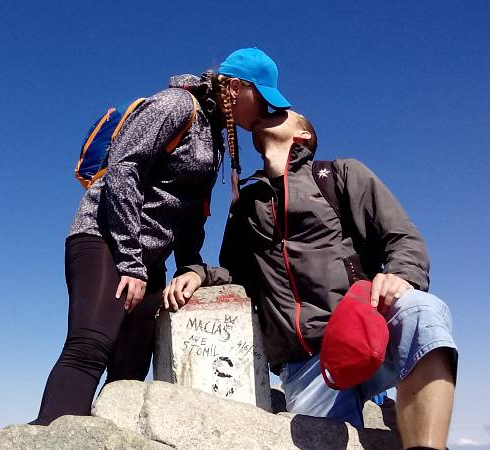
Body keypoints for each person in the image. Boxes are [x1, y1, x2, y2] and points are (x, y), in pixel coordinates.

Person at [166, 110, 457, 450]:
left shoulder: (339, 174)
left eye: (279, 113)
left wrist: (401, 276)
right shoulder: (247, 204)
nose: (267, 113)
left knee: (421, 310)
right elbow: (238, 274)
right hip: (305, 364)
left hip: (365, 329)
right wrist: (199, 273)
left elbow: (402, 237)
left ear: (302, 135)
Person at [30, 48, 293, 425]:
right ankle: (49, 436)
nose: (266, 111)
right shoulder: (174, 105)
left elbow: (191, 214)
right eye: (263, 99)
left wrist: (189, 267)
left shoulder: (215, 137)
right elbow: (124, 171)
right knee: (91, 344)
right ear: (236, 88)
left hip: (146, 258)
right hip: (104, 238)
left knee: (132, 361)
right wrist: (130, 263)